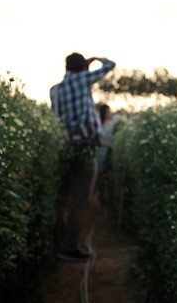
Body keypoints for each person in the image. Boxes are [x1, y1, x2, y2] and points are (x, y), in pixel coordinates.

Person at [50, 52, 115, 262]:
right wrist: (96, 59)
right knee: (79, 200)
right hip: (85, 149)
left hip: (64, 149)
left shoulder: (55, 90)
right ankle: (68, 247)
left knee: (62, 198)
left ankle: (56, 241)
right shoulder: (82, 79)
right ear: (82, 68)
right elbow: (110, 65)